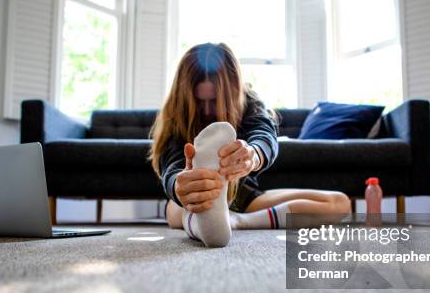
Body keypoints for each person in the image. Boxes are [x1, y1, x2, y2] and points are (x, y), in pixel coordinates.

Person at [149, 43, 350, 247]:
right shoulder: (174, 114)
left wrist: (252, 155)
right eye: (200, 102)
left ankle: (236, 221)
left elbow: (263, 134)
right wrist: (180, 185)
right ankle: (207, 214)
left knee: (340, 204)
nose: (208, 111)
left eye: (215, 100)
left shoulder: (249, 101)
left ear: (234, 90)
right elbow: (172, 165)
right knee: (175, 209)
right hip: (196, 195)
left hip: (244, 195)